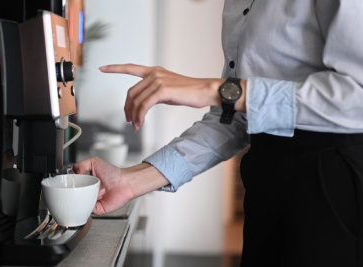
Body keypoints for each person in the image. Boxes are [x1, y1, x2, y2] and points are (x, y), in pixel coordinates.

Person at [74, 1, 363, 266]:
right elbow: (237, 115)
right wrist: (132, 180)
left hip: (335, 181)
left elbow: (356, 98)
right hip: (268, 179)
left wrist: (217, 89)